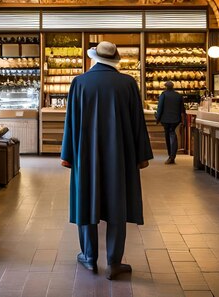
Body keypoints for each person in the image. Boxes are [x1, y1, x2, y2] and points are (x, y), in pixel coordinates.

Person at [61, 41, 153, 280]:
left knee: (86, 200)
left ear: (94, 58)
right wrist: (141, 156)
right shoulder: (128, 83)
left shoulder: (79, 82)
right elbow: (137, 123)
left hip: (85, 154)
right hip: (120, 155)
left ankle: (89, 258)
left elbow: (70, 122)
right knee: (117, 203)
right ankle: (114, 262)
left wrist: (67, 156)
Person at [155, 81, 185, 164]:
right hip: (176, 119)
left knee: (168, 136)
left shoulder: (163, 95)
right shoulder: (178, 95)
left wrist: (157, 118)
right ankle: (172, 156)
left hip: (165, 119)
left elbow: (160, 108)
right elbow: (182, 109)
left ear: (166, 87)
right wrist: (183, 120)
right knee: (172, 134)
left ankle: (171, 156)